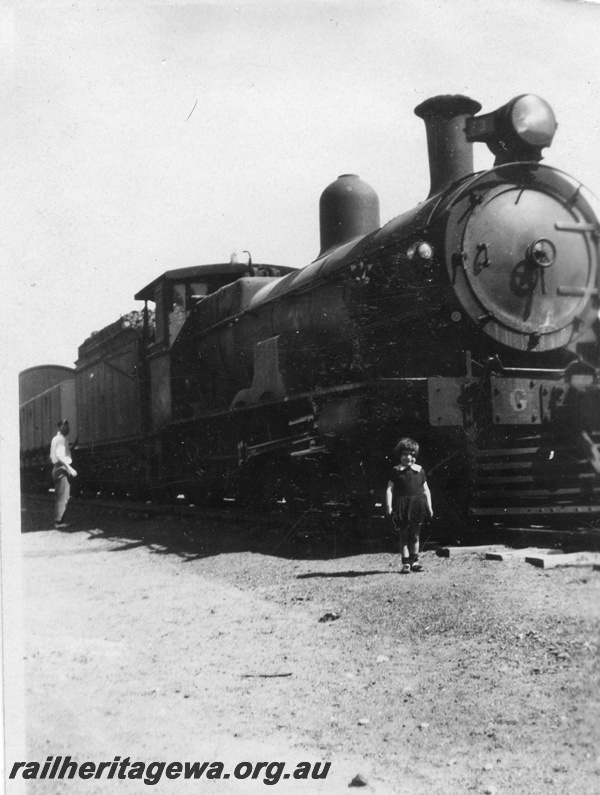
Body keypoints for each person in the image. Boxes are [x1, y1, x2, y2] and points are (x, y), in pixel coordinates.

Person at [385, 437, 433, 573]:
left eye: (412, 455)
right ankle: (406, 562)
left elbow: (426, 490)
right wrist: (388, 506)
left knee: (416, 535)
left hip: (417, 506)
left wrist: (429, 506)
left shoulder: (419, 471)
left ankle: (415, 561)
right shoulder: (396, 471)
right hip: (403, 506)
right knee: (404, 535)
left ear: (415, 456)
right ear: (400, 455)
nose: (408, 458)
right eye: (405, 454)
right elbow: (389, 489)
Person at [49, 419, 77, 529]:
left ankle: (59, 520)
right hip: (62, 469)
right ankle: (59, 522)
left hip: (56, 469)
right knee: (63, 497)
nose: (69, 429)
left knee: (60, 496)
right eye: (67, 426)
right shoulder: (61, 439)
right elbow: (60, 456)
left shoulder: (55, 438)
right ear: (61, 427)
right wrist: (70, 469)